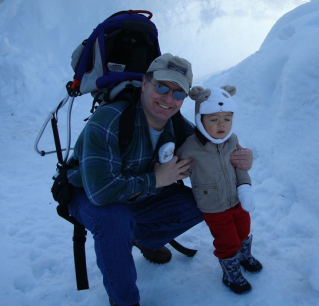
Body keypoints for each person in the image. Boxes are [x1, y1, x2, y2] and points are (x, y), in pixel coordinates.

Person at [67, 53, 254, 306]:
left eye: (178, 94)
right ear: (145, 83)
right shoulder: (109, 120)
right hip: (86, 193)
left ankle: (141, 237)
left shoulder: (177, 125)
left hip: (137, 192)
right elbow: (100, 192)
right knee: (115, 220)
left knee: (199, 203)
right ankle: (124, 301)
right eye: (162, 87)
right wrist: (155, 179)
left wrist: (241, 156)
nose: (168, 98)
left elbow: (212, 145)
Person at [176, 86, 262, 295]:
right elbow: (177, 166)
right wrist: (171, 162)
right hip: (213, 205)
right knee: (226, 240)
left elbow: (239, 166)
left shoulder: (232, 141)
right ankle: (230, 270)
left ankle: (243, 255)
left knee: (243, 231)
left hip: (237, 200)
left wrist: (245, 189)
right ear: (200, 120)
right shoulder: (190, 147)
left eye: (227, 118)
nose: (221, 124)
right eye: (214, 119)